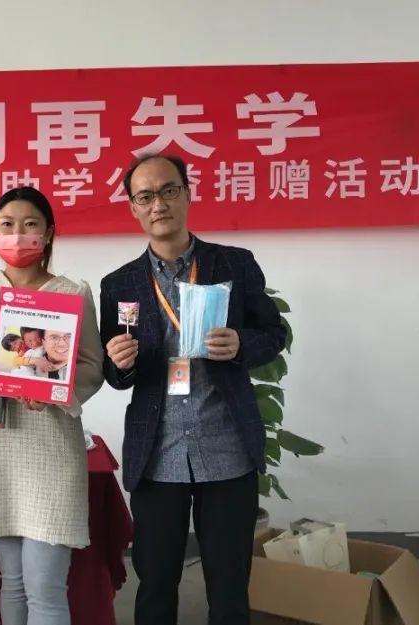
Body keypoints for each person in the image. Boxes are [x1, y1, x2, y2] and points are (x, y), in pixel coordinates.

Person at [99, 154, 285, 625]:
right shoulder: (118, 284)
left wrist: (241, 343)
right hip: (157, 453)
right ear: (133, 208)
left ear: (186, 194)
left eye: (168, 190)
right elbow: (115, 374)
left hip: (227, 447)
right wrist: (118, 363)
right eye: (145, 196)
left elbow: (273, 333)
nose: (158, 204)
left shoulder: (234, 264)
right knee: (155, 583)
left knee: (229, 586)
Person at [0, 186, 104, 625]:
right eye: (7, 225)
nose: (18, 235)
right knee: (12, 582)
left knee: (46, 590)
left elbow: (92, 366)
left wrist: (55, 389)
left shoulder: (72, 291)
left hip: (52, 453)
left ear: (49, 233)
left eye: (30, 224)